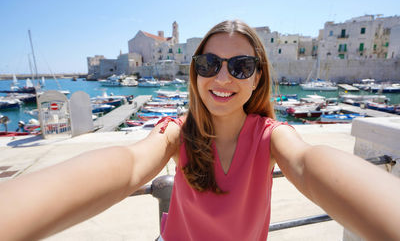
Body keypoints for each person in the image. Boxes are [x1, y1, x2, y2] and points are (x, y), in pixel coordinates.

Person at [0, 20, 399, 241]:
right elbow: (130, 164)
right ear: (195, 72)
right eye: (209, 64)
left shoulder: (270, 135)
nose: (222, 77)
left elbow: (309, 164)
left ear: (257, 78)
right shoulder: (175, 133)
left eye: (240, 66)